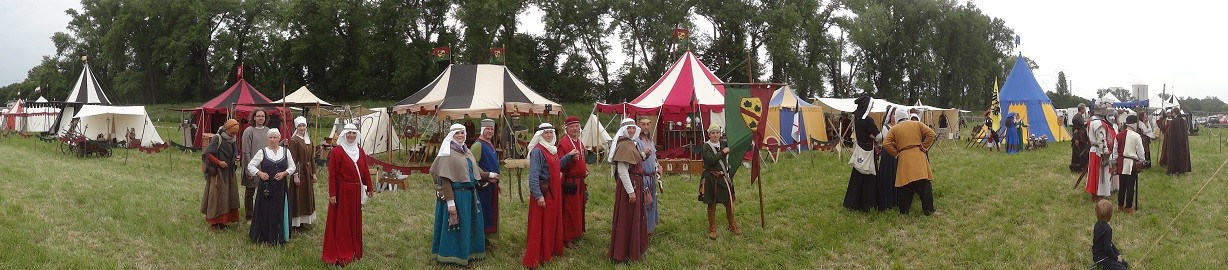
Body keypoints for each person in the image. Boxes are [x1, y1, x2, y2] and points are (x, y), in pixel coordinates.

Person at [431, 124, 497, 268]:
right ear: (451, 135)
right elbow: (445, 180)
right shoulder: (447, 153)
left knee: (469, 225)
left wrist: (489, 175)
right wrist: (450, 203)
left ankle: (470, 253)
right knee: (456, 228)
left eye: (463, 132)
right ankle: (452, 256)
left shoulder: (465, 151)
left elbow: (475, 170)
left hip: (469, 195)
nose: (461, 135)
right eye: (458, 133)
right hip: (455, 196)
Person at [322, 124, 375, 266]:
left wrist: (369, 187)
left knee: (353, 220)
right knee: (342, 221)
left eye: (353, 133)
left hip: (356, 192)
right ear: (344, 134)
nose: (351, 135)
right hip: (342, 192)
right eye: (349, 133)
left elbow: (364, 171)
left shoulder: (360, 151)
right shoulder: (337, 152)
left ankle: (353, 248)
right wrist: (332, 194)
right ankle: (342, 250)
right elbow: (332, 175)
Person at [523, 123, 566, 269]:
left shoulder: (552, 149)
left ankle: (550, 249)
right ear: (540, 135)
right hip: (544, 193)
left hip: (554, 193)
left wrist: (569, 157)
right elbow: (534, 175)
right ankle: (540, 254)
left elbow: (557, 165)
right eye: (546, 133)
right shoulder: (537, 151)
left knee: (550, 222)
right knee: (541, 224)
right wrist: (538, 195)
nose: (549, 135)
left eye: (551, 133)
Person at [607, 118, 650, 261]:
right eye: (628, 129)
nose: (631, 131)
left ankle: (633, 248)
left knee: (634, 217)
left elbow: (633, 162)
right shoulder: (624, 145)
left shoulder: (631, 143)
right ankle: (622, 252)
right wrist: (631, 191)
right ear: (624, 130)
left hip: (635, 183)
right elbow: (623, 171)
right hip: (629, 186)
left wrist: (644, 155)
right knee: (626, 218)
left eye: (633, 128)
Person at [246, 128, 296, 245]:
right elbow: (251, 166)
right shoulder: (262, 152)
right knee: (266, 210)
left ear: (279, 138)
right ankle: (265, 235)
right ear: (267, 139)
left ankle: (279, 234)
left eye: (275, 137)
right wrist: (260, 173)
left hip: (280, 187)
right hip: (266, 187)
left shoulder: (285, 152)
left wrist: (284, 173)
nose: (273, 140)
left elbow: (292, 167)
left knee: (279, 210)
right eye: (270, 137)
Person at [883, 110, 938, 215]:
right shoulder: (917, 124)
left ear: (898, 117)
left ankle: (904, 210)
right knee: (924, 185)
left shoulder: (894, 128)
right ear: (907, 116)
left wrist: (896, 153)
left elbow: (886, 143)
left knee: (905, 185)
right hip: (918, 155)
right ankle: (928, 210)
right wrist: (924, 146)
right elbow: (931, 134)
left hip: (904, 158)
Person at [698, 121, 740, 239]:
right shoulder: (706, 146)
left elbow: (736, 143)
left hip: (724, 177)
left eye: (717, 132)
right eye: (713, 133)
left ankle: (732, 225)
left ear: (720, 134)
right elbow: (711, 160)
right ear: (709, 134)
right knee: (712, 204)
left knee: (729, 202)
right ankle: (712, 228)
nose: (715, 135)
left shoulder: (724, 143)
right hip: (711, 178)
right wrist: (723, 152)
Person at [201, 119, 241, 229]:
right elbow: (208, 154)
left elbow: (233, 152)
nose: (233, 135)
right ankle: (215, 222)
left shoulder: (232, 140)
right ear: (227, 129)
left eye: (235, 133)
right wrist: (219, 162)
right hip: (218, 173)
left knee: (228, 196)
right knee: (217, 196)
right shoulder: (217, 138)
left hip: (229, 173)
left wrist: (235, 158)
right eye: (232, 132)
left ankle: (224, 222)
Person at [555, 115, 589, 247]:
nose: (575, 128)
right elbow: (559, 163)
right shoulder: (564, 142)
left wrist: (585, 169)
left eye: (577, 126)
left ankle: (576, 232)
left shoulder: (579, 141)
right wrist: (570, 158)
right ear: (567, 128)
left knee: (578, 208)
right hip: (570, 182)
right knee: (569, 209)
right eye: (572, 126)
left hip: (580, 181)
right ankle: (566, 238)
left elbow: (582, 160)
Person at [842, 96, 880, 212]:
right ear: (867, 106)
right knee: (869, 176)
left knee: (858, 176)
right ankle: (868, 205)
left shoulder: (857, 118)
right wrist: (874, 136)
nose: (872, 106)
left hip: (860, 148)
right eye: (871, 104)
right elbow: (879, 136)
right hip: (868, 150)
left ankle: (853, 202)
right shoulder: (867, 120)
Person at [469, 119, 501, 239]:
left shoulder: (490, 144)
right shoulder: (478, 145)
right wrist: (488, 175)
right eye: (487, 128)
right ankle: (480, 240)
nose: (490, 131)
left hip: (492, 186)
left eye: (492, 129)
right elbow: (472, 165)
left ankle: (487, 239)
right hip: (483, 186)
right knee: (483, 212)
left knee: (490, 212)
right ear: (482, 129)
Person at [240, 108, 270, 221]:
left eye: (263, 116)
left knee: (264, 192)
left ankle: (261, 213)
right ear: (254, 117)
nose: (260, 118)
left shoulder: (268, 131)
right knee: (250, 192)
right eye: (258, 116)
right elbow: (246, 152)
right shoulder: (249, 131)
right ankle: (249, 216)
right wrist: (249, 170)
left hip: (265, 167)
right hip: (252, 166)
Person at [287, 116, 317, 230]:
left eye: (303, 125)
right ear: (296, 127)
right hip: (299, 171)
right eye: (299, 126)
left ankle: (305, 221)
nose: (302, 128)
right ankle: (296, 222)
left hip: (307, 171)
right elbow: (292, 159)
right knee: (298, 196)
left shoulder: (309, 140)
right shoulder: (294, 140)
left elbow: (311, 159)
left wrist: (313, 173)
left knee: (306, 195)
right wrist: (295, 175)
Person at [876, 107, 907, 211]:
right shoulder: (886, 127)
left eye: (895, 114)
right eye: (893, 114)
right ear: (890, 116)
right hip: (889, 154)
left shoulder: (900, 126)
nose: (894, 116)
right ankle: (889, 200)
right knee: (890, 175)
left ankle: (899, 199)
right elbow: (888, 142)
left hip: (899, 153)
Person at [637, 116, 663, 234]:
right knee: (644, 203)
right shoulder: (636, 142)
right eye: (643, 124)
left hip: (652, 177)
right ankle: (641, 229)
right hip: (642, 177)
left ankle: (649, 228)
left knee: (651, 203)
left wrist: (658, 166)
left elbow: (654, 157)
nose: (646, 127)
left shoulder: (650, 141)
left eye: (648, 124)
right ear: (639, 126)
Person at [1085, 104, 1116, 202]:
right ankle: (1099, 194)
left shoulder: (1091, 122)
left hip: (1094, 150)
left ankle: (1096, 193)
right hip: (1099, 151)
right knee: (1099, 173)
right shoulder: (1099, 124)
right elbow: (1102, 140)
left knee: (1095, 172)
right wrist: (1105, 153)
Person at [1118, 115, 1145, 214]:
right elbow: (1141, 152)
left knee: (1122, 186)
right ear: (1134, 123)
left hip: (1121, 162)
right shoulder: (1136, 136)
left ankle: (1120, 205)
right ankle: (1128, 207)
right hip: (1132, 164)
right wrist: (1142, 161)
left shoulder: (1119, 135)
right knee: (1130, 186)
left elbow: (1115, 151)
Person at [1092, 199, 1128, 270]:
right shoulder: (1107, 229)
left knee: (1124, 264)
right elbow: (1108, 249)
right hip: (1103, 258)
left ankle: (1100, 265)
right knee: (1123, 269)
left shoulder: (1097, 224)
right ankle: (1099, 265)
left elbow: (1110, 243)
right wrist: (1116, 258)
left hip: (1097, 256)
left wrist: (1117, 254)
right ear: (1110, 215)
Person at [1163, 107, 1192, 175]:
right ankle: (1182, 169)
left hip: (1175, 142)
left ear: (1174, 113)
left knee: (1175, 155)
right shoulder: (1184, 121)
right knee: (1182, 155)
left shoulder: (1173, 122)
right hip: (1183, 142)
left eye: (1172, 112)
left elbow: (1170, 133)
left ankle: (1174, 170)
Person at [1070, 104, 1089, 172]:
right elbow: (1075, 130)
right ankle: (1076, 167)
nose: (1085, 110)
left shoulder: (1080, 117)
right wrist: (1076, 139)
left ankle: (1081, 166)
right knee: (1077, 153)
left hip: (1082, 138)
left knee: (1082, 153)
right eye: (1084, 108)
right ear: (1081, 109)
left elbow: (1082, 127)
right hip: (1078, 139)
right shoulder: (1076, 118)